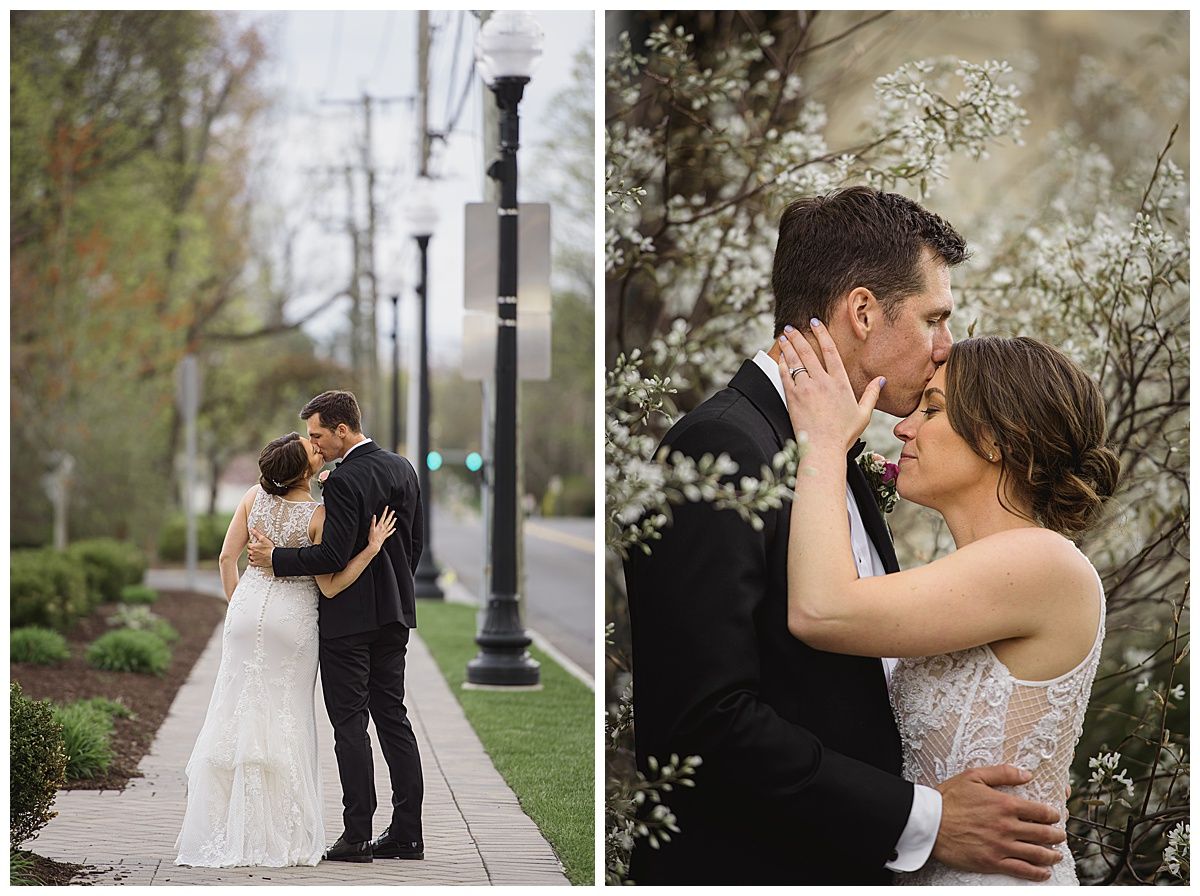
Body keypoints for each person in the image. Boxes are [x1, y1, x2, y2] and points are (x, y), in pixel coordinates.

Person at [623, 187, 1067, 885]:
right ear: (863, 311)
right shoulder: (723, 447)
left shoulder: (831, 446)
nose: (945, 346)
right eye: (934, 318)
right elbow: (704, 723)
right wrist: (924, 820)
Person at [778, 326, 1118, 884]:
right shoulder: (978, 577)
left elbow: (821, 610)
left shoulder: (1041, 562)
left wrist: (821, 443)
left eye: (931, 409)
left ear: (997, 438)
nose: (903, 426)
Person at [176, 432, 398, 867]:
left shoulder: (251, 498)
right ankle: (280, 835)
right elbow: (331, 585)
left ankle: (225, 829)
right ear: (302, 471)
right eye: (311, 449)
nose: (318, 449)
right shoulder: (317, 514)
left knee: (234, 713)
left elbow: (226, 559)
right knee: (286, 718)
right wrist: (372, 548)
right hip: (291, 622)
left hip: (244, 614)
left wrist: (239, 602)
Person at [246, 390, 425, 864]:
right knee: (393, 718)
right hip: (395, 615)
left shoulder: (344, 480)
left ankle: (357, 836)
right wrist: (394, 589)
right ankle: (408, 834)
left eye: (318, 434)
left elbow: (330, 556)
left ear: (342, 430)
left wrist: (274, 558)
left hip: (348, 620)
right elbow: (414, 547)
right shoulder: (403, 467)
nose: (315, 443)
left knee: (350, 725)